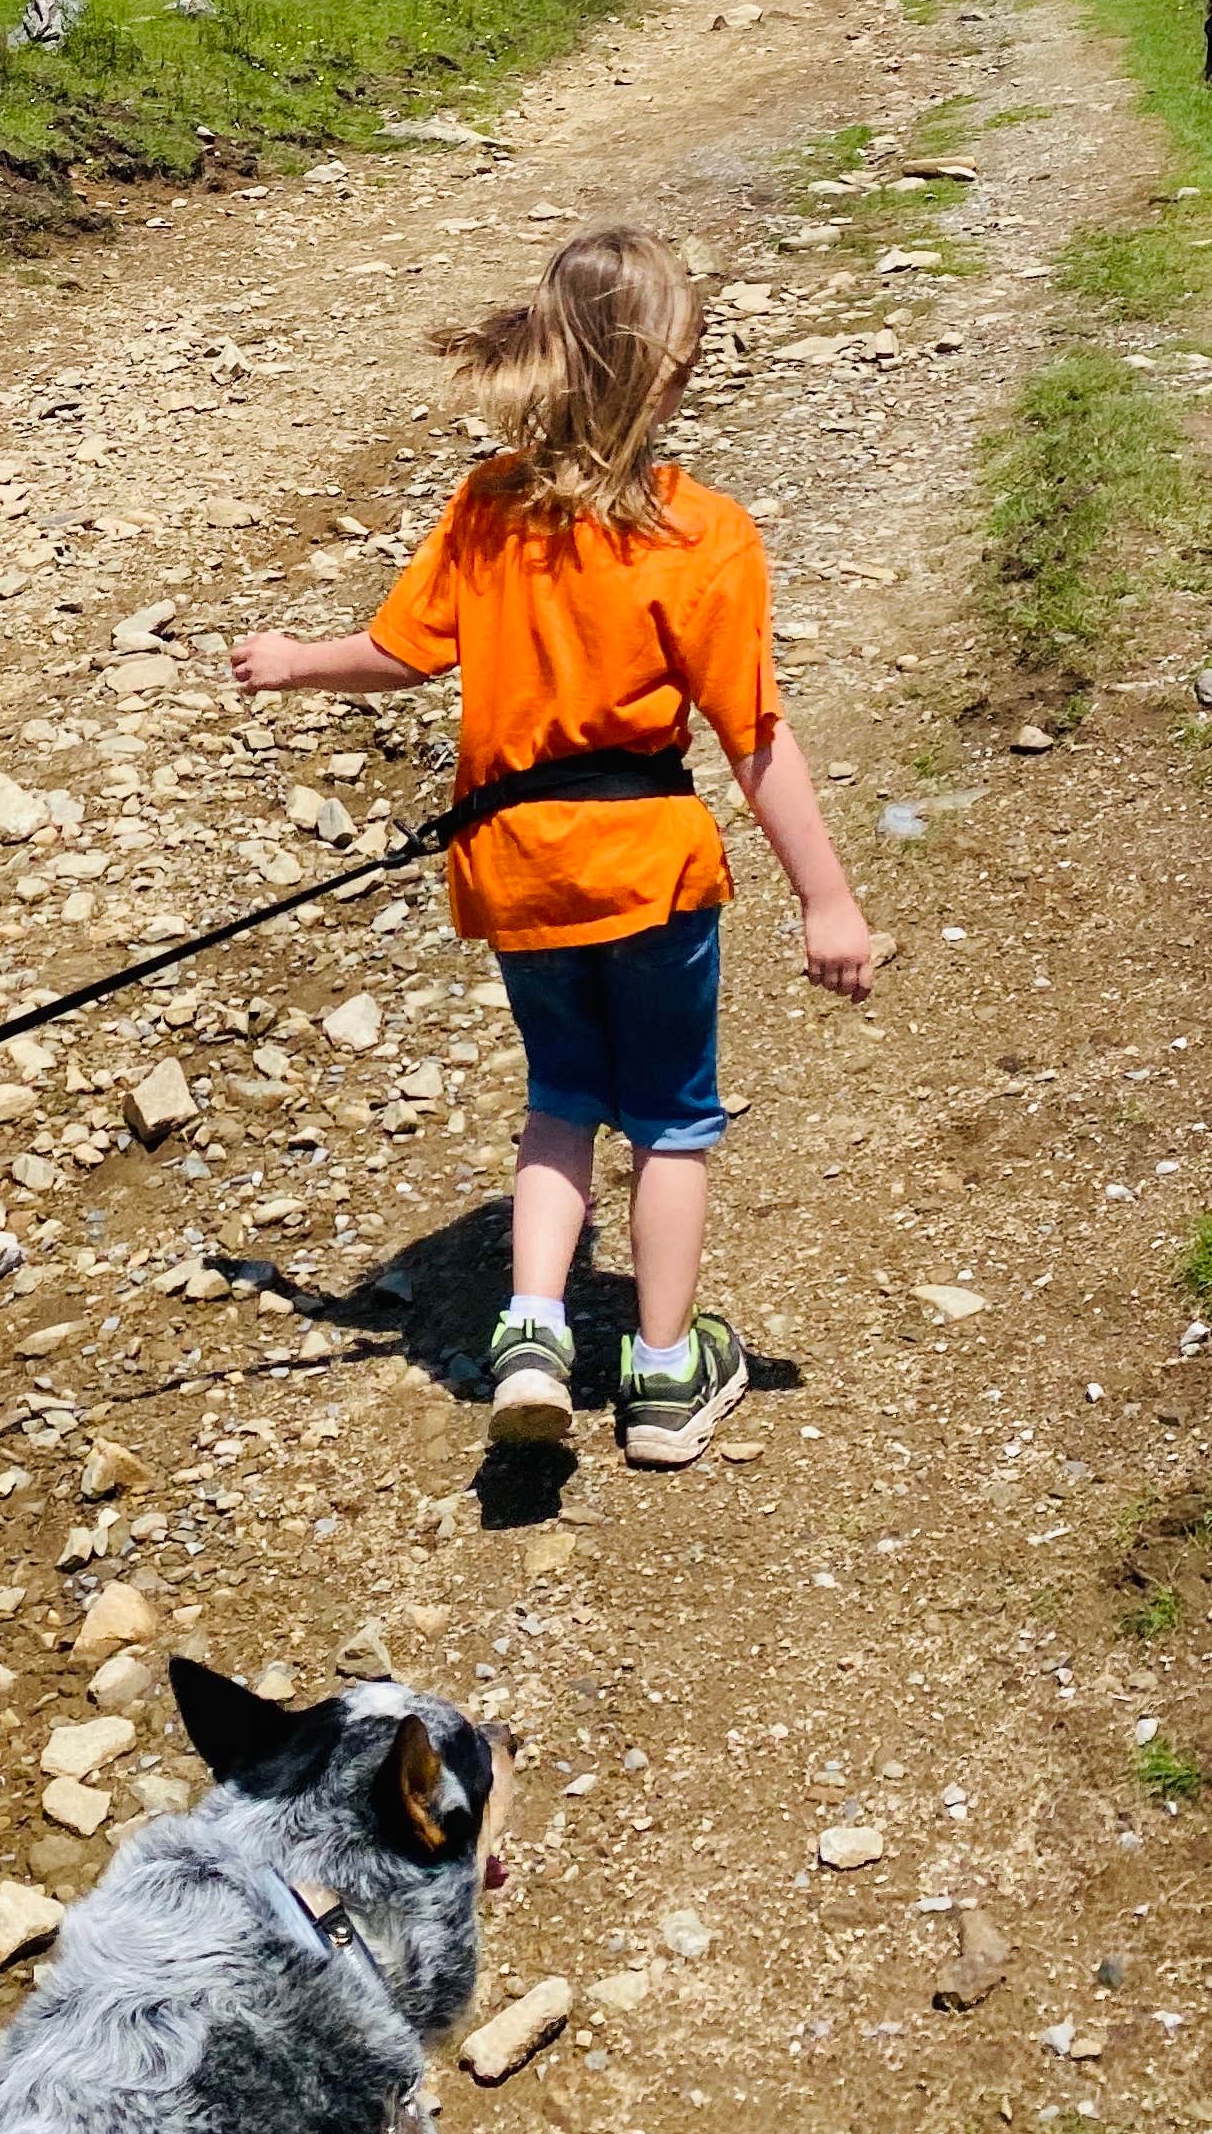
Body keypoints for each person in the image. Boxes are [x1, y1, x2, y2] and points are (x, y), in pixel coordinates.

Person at [229, 228, 875, 1468]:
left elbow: (405, 652)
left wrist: (298, 662)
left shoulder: (486, 505)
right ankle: (668, 1376)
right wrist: (827, 902)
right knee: (673, 1119)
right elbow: (754, 737)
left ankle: (533, 1331)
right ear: (673, 369)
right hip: (648, 869)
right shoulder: (705, 533)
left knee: (561, 1101)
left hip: (517, 871)